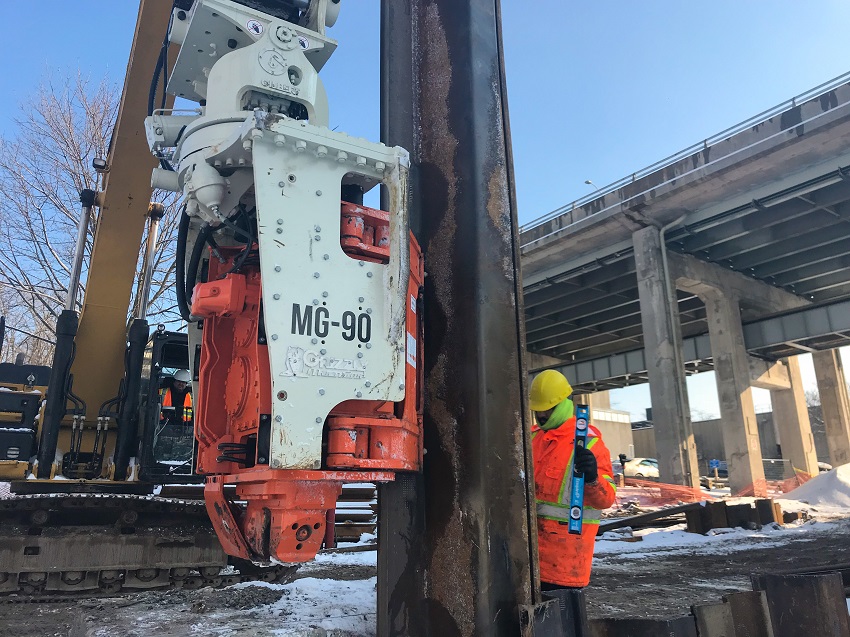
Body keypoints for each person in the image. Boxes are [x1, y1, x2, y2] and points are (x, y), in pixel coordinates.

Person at [530, 370, 617, 590]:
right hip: (528, 559)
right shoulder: (531, 438)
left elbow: (606, 500)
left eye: (547, 409)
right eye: (538, 410)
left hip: (566, 565)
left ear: (562, 403)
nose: (542, 415)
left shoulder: (589, 443)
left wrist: (593, 479)